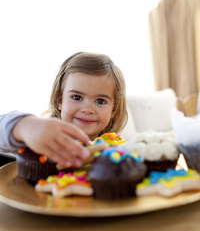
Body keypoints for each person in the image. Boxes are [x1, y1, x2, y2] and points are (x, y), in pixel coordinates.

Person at [0, 52, 128, 167]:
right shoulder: (42, 140)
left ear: (113, 110)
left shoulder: (119, 152)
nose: (87, 109)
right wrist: (24, 126)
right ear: (60, 101)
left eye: (100, 101)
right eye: (77, 97)